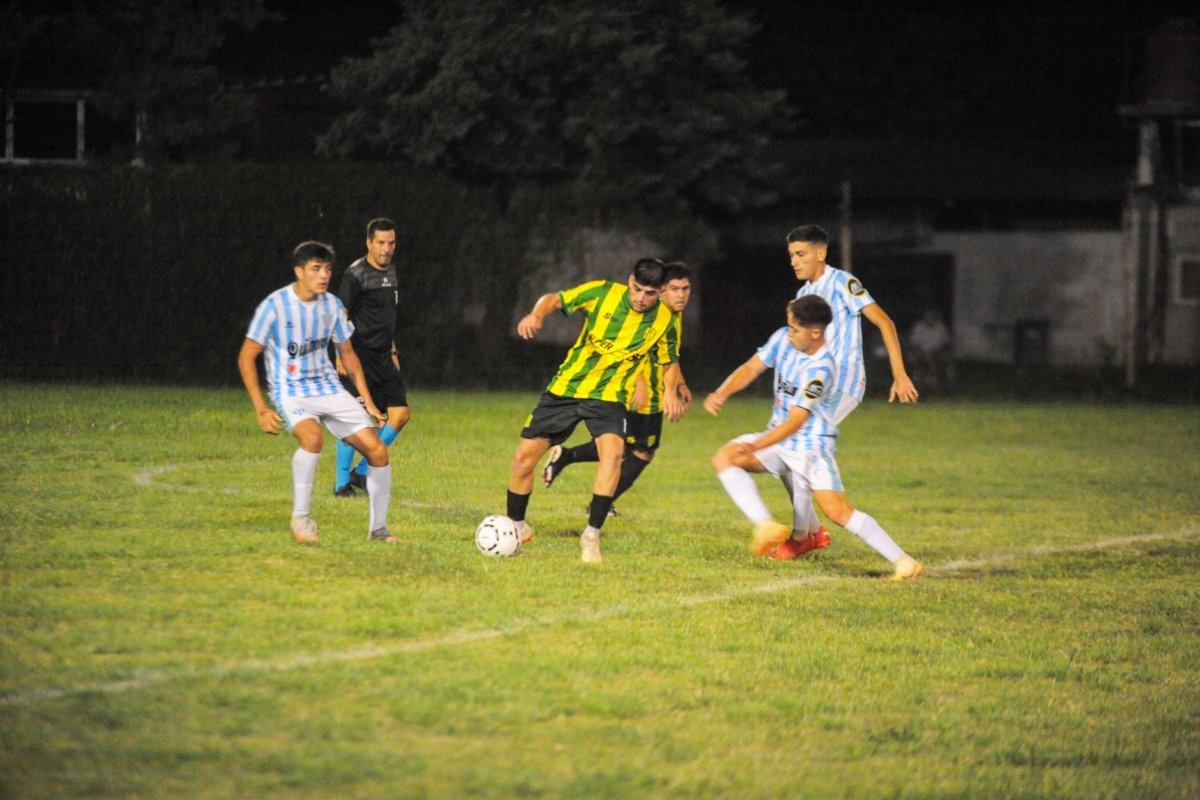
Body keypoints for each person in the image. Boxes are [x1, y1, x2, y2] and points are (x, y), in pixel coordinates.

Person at [704, 295, 922, 580]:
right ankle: (766, 526)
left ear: (815, 333)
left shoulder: (821, 369)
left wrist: (756, 445)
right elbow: (751, 368)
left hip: (810, 447)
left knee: (838, 512)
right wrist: (722, 392)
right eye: (789, 326)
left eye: (795, 329)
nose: (789, 333)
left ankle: (903, 561)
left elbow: (797, 421)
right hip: (779, 438)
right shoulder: (784, 339)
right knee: (726, 458)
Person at [508, 258, 686, 563]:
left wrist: (670, 391)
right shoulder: (602, 293)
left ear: (660, 293)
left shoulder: (664, 321)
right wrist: (536, 315)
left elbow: (669, 362)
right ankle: (516, 526)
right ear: (630, 281)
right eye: (638, 289)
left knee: (613, 456)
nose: (641, 298)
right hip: (566, 389)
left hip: (609, 397)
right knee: (523, 460)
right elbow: (554, 299)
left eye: (650, 294)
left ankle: (591, 535)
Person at [773, 223, 919, 561]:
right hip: (817, 388)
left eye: (801, 254)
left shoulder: (843, 283)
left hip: (844, 384)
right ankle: (809, 531)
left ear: (821, 253)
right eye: (791, 255)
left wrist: (899, 374)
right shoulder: (803, 296)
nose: (794, 261)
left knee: (795, 449)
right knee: (783, 455)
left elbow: (884, 322)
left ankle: (803, 536)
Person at [237, 241, 396, 544]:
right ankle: (302, 518)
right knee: (313, 437)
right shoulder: (275, 306)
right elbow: (247, 356)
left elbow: (348, 355)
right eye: (316, 269)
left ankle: (378, 530)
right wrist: (260, 407)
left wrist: (368, 402)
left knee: (377, 451)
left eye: (327, 269)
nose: (324, 275)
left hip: (328, 388)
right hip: (291, 390)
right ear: (299, 272)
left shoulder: (332, 306)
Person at [540, 262, 695, 514]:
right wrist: (639, 383)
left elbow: (669, 357)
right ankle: (599, 505)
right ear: (662, 291)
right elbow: (630, 349)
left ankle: (568, 460)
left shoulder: (672, 316)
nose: (681, 295)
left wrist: (680, 384)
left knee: (627, 447)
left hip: (654, 394)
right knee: (638, 451)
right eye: (675, 289)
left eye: (686, 289)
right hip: (639, 394)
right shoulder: (653, 313)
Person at [332, 218, 411, 497]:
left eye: (391, 243)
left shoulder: (392, 273)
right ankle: (341, 484)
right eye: (381, 242)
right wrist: (340, 355)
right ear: (369, 242)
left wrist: (392, 350)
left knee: (400, 414)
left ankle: (362, 471)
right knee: (354, 420)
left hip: (383, 357)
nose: (386, 248)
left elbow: (387, 318)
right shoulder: (356, 275)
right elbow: (338, 315)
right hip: (358, 357)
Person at [908, 308, 953, 389]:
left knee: (937, 357)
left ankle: (933, 377)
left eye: (932, 316)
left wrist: (936, 351)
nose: (930, 318)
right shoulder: (918, 327)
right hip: (921, 351)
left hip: (937, 351)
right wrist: (920, 351)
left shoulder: (941, 327)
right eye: (927, 316)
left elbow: (945, 343)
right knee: (911, 356)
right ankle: (917, 375)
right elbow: (914, 342)